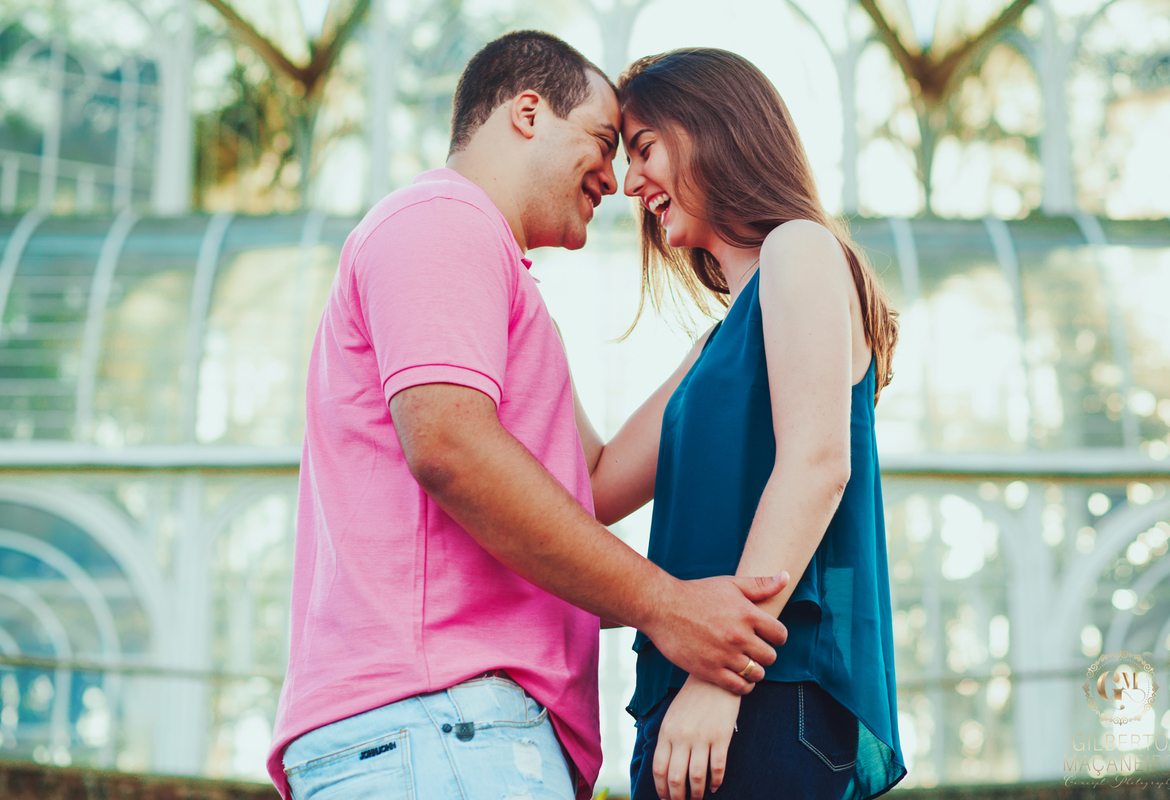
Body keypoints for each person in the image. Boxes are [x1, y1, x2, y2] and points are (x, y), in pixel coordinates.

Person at [268, 32, 793, 800]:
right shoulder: (443, 221)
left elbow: (594, 480)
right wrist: (666, 605)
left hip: (451, 733)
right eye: (606, 142)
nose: (615, 181)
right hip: (439, 724)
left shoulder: (496, 275)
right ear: (527, 113)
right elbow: (448, 444)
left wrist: (731, 339)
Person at [574, 48, 908, 799]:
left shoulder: (800, 247)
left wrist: (717, 683)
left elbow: (818, 465)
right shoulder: (718, 339)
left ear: (712, 129)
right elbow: (593, 488)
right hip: (689, 704)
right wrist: (514, 293)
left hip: (753, 695)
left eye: (645, 149)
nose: (630, 184)